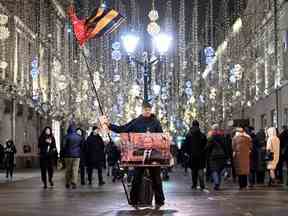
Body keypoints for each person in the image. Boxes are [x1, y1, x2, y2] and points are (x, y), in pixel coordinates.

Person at [100, 101, 165, 209]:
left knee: (156, 179)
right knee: (137, 178)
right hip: (139, 156)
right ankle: (134, 199)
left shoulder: (156, 122)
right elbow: (122, 129)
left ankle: (160, 200)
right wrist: (109, 125)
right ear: (142, 109)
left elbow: (161, 137)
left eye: (149, 109)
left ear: (151, 110)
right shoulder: (136, 122)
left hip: (153, 155)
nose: (147, 111)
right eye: (145, 109)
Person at [183, 120, 207, 190]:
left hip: (192, 155)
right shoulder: (202, 135)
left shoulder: (189, 135)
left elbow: (186, 145)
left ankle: (194, 184)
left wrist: (187, 152)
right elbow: (205, 145)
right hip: (201, 155)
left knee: (194, 171)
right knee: (200, 169)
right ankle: (202, 184)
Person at [206, 124, 228, 190]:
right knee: (219, 170)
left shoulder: (211, 137)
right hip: (222, 156)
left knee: (214, 170)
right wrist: (226, 156)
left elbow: (207, 147)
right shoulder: (222, 136)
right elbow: (225, 147)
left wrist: (207, 155)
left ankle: (216, 182)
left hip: (213, 156)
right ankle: (218, 184)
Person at [62, 123, 83, 189]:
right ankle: (74, 182)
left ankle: (67, 182)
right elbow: (82, 146)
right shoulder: (79, 137)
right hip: (77, 156)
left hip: (68, 155)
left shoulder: (66, 136)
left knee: (68, 169)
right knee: (75, 169)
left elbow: (64, 146)